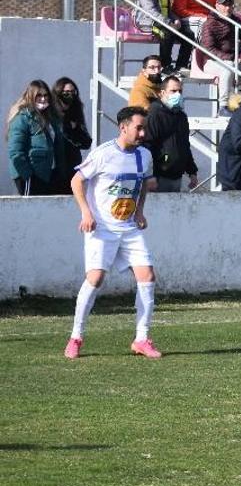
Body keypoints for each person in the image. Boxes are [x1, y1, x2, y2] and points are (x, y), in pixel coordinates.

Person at [66, 105, 160, 360]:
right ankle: (76, 337)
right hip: (103, 227)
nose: (142, 133)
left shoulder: (145, 155)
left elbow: (142, 185)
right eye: (138, 127)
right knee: (95, 279)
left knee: (148, 277)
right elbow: (77, 180)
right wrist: (86, 213)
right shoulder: (104, 153)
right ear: (123, 127)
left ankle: (141, 339)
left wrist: (139, 211)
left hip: (129, 227)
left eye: (144, 128)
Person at [7, 80, 65, 196]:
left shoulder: (51, 118)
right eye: (39, 95)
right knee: (30, 209)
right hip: (31, 175)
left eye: (45, 95)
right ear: (31, 96)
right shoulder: (22, 118)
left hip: (48, 174)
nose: (43, 99)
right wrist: (28, 175)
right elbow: (15, 152)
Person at [143, 76, 198, 192]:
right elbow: (147, 145)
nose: (178, 94)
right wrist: (150, 175)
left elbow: (184, 145)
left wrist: (192, 171)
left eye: (180, 91)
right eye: (173, 91)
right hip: (159, 176)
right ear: (162, 93)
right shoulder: (154, 114)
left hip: (177, 176)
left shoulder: (181, 116)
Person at [135, 0, 189, 72]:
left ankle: (181, 65)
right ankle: (165, 66)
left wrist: (176, 19)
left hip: (164, 22)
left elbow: (168, 10)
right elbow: (150, 11)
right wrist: (169, 23)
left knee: (188, 35)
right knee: (167, 33)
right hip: (148, 23)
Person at [52, 77, 92, 183]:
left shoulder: (75, 111)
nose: (70, 96)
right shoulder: (51, 114)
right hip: (55, 166)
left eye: (73, 92)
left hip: (72, 165)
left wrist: (73, 130)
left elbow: (86, 142)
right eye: (66, 92)